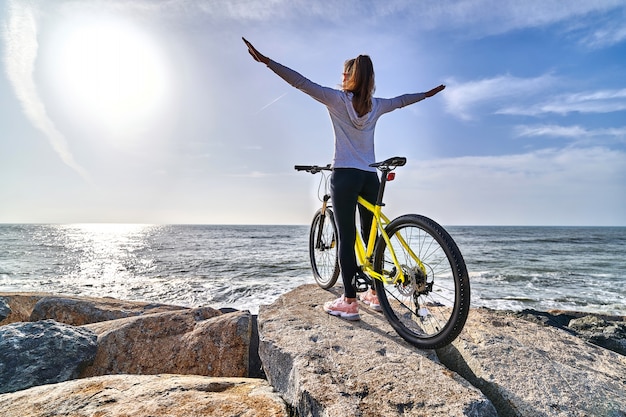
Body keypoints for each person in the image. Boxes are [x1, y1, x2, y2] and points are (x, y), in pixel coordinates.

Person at [243, 37, 445, 321]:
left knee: (347, 239)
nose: (341, 77)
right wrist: (426, 94)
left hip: (345, 176)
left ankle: (350, 301)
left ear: (352, 76)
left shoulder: (337, 100)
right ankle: (375, 293)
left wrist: (267, 62)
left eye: (344, 73)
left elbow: (300, 82)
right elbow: (401, 101)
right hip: (370, 176)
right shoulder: (376, 105)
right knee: (371, 236)